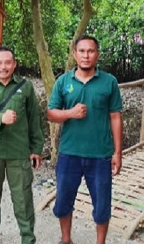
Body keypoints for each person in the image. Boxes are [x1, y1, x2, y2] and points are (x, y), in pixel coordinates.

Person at [47, 35, 123, 244]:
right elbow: (51, 113)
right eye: (82, 51)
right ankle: (66, 239)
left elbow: (115, 117)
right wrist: (70, 113)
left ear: (97, 55)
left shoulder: (109, 82)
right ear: (75, 54)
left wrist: (117, 152)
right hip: (69, 153)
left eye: (90, 51)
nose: (86, 55)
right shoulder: (64, 81)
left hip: (100, 154)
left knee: (102, 204)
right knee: (63, 201)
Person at [0, 46, 44, 244]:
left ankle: (27, 236)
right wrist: (0, 119)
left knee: (23, 197)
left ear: (14, 64)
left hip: (18, 151)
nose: (3, 67)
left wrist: (36, 149)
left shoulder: (25, 87)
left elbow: (34, 120)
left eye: (8, 63)